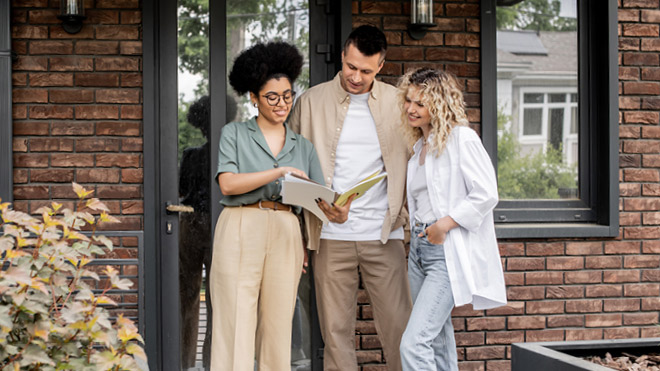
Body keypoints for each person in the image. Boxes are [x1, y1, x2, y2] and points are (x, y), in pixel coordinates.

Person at [289, 25, 412, 371]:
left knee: (400, 330)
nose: (356, 77)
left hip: (383, 234)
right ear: (343, 56)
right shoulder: (310, 102)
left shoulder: (398, 104)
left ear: (381, 66)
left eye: (366, 71)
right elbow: (291, 168)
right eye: (351, 66)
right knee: (335, 333)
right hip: (328, 237)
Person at [210, 41, 324, 371]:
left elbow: (318, 198)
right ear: (254, 98)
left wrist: (337, 210)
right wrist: (279, 171)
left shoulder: (303, 146)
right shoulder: (234, 133)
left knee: (278, 327)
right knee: (235, 322)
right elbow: (228, 183)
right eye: (272, 97)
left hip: (287, 230)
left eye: (287, 95)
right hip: (241, 224)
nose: (281, 104)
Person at [396, 67, 507, 370]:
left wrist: (444, 224)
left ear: (440, 103)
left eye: (420, 103)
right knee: (436, 339)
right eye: (408, 101)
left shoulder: (462, 139)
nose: (411, 109)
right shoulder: (419, 146)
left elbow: (486, 193)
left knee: (414, 343)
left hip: (445, 253)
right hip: (419, 251)